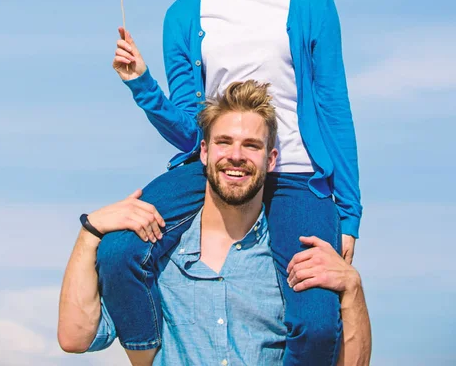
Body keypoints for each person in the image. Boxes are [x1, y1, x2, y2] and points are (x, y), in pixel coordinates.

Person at [99, 0, 363, 365]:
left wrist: (348, 212)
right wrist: (141, 83)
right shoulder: (185, 13)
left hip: (297, 176)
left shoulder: (308, 0)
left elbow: (333, 106)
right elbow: (187, 126)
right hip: (214, 169)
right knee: (117, 254)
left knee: (317, 319)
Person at [58, 81, 371, 365]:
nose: (236, 156)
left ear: (271, 159)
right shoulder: (156, 253)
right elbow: (75, 337)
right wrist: (90, 232)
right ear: (205, 152)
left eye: (251, 145)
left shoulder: (292, 260)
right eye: (224, 142)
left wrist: (353, 289)